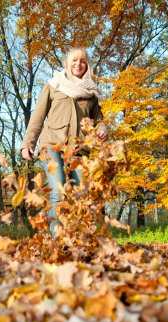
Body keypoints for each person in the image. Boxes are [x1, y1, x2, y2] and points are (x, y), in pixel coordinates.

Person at [21, 47, 108, 236]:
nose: (79, 64)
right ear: (67, 64)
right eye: (75, 61)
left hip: (79, 149)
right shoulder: (53, 85)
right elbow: (38, 115)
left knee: (81, 194)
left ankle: (78, 239)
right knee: (58, 190)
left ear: (87, 65)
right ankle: (58, 241)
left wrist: (102, 129)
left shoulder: (91, 92)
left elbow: (98, 119)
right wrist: (28, 144)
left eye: (83, 61)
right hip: (51, 145)